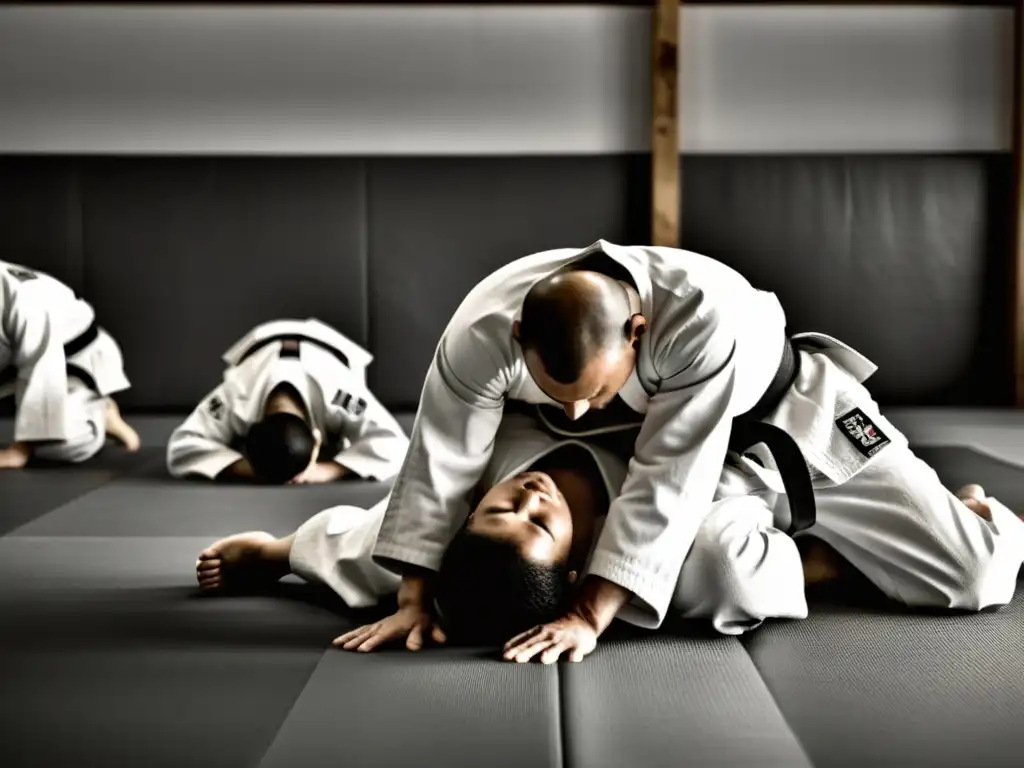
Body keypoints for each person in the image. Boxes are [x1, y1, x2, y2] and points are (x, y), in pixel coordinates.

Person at [364, 239, 1024, 662]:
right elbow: (439, 458)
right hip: (652, 450)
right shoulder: (483, 327)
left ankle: (958, 512)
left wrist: (588, 616)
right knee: (706, 571)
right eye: (555, 393)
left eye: (591, 392)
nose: (571, 414)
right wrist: (414, 598)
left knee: (972, 577)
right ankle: (824, 561)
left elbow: (667, 478)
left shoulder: (704, 315)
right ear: (518, 333)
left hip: (792, 419)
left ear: (638, 333)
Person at [194, 413, 1015, 659]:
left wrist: (278, 553)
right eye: (538, 520)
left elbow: (366, 538)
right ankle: (839, 560)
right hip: (755, 488)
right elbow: (734, 574)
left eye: (500, 508)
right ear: (581, 562)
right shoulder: (674, 550)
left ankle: (934, 512)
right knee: (981, 574)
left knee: (970, 562)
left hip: (787, 415)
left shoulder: (477, 480)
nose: (527, 496)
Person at [166, 318, 408, 484]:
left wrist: (329, 470)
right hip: (256, 347)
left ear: (317, 438)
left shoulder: (341, 393)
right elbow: (181, 446)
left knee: (345, 442)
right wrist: (244, 468)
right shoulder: (234, 395)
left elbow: (398, 445)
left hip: (332, 348)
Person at [1, 260, 139, 468]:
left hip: (73, 360)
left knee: (58, 445)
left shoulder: (26, 299)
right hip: (17, 365)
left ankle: (98, 413)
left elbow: (42, 365)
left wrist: (21, 450)